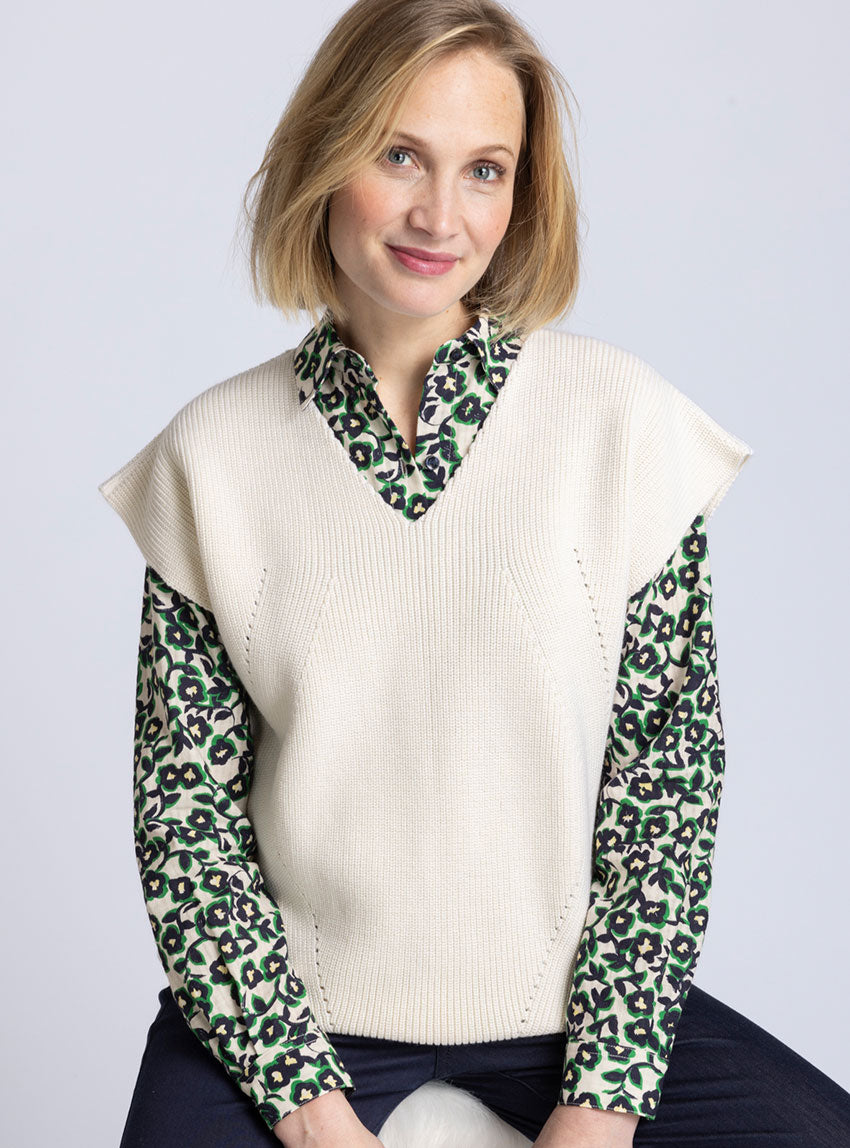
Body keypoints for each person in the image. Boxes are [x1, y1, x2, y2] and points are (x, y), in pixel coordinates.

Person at [98, 1, 850, 1145]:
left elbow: (666, 785)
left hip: (566, 1012)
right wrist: (309, 1109)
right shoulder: (213, 455)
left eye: (484, 170)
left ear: (521, 194)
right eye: (400, 155)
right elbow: (185, 819)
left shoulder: (620, 426)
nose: (439, 215)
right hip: (294, 1017)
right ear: (326, 154)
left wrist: (600, 1099)